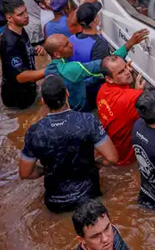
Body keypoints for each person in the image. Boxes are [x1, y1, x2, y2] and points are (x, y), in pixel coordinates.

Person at [20, 77, 119, 214]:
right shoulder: (87, 121)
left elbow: (25, 173)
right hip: (89, 196)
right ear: (67, 93)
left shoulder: (35, 131)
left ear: (43, 101)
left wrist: (46, 170)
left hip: (56, 203)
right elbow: (112, 158)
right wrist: (95, 163)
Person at [66, 199, 149, 250]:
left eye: (106, 228)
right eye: (95, 236)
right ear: (81, 240)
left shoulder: (113, 230)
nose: (105, 238)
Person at [0, 0, 46, 109]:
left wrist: (34, 50)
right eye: (20, 14)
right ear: (9, 18)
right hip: (18, 97)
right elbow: (21, 76)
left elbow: (23, 50)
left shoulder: (20, 29)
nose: (26, 15)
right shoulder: (10, 43)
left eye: (25, 11)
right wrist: (49, 70)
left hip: (29, 87)